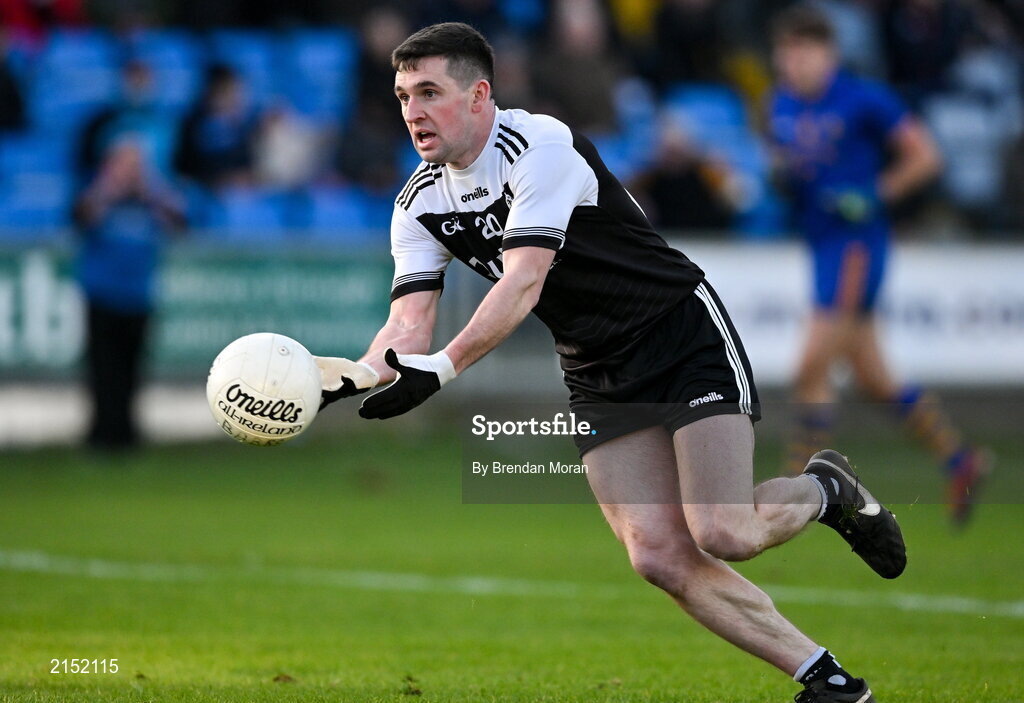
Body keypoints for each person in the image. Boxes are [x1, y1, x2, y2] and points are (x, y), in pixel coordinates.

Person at [316, 22, 905, 703]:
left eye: (428, 92)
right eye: (401, 96)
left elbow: (523, 281)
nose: (412, 112)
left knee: (724, 528)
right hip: (595, 366)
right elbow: (407, 324)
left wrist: (444, 368)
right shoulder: (420, 203)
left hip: (679, 332)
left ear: (480, 94)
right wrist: (349, 376)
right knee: (656, 553)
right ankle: (829, 681)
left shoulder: (539, 145)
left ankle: (828, 489)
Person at [767, 6, 989, 524]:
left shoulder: (864, 98)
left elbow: (926, 155)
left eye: (803, 53)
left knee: (810, 366)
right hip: (821, 247)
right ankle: (962, 459)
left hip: (856, 249)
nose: (793, 64)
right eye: (787, 54)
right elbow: (791, 165)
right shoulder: (780, 104)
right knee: (874, 379)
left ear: (829, 54)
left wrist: (874, 194)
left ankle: (797, 497)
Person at [74, 137, 185, 449]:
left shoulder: (150, 202)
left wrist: (152, 192)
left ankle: (127, 434)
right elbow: (81, 218)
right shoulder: (99, 196)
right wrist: (110, 189)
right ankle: (100, 434)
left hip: (137, 298)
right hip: (102, 296)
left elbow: (180, 223)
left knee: (132, 370)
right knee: (102, 371)